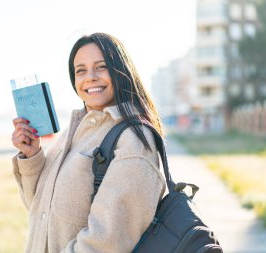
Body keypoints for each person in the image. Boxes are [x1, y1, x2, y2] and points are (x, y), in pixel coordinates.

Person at [11, 32, 166, 253]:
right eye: (80, 70)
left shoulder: (134, 140)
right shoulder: (74, 130)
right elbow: (39, 210)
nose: (90, 77)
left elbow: (107, 241)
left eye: (101, 66)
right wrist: (32, 155)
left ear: (121, 72)